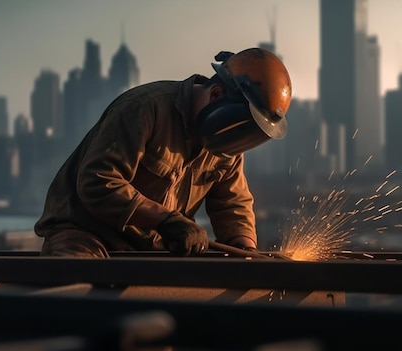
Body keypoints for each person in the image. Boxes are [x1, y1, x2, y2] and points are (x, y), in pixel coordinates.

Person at [34, 47, 292, 258]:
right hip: (87, 235)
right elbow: (97, 182)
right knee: (79, 293)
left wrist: (244, 250)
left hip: (150, 249)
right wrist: (166, 220)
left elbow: (231, 204)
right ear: (216, 95)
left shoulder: (227, 143)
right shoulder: (145, 109)